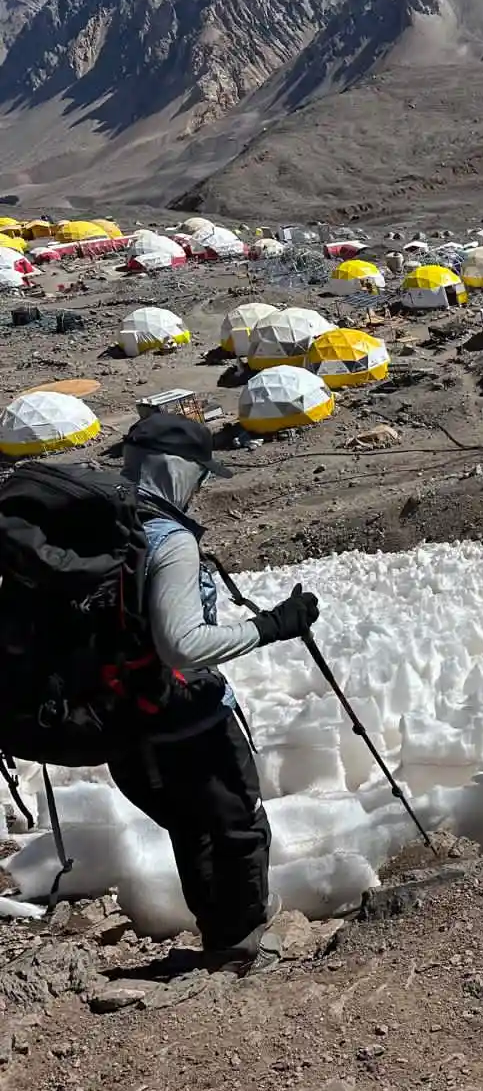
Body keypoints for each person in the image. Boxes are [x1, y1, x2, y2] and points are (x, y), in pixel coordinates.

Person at [116, 414, 320, 974]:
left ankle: (221, 938)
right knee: (237, 826)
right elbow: (182, 643)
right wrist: (272, 626)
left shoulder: (104, 522)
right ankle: (242, 946)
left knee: (192, 829)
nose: (200, 487)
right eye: (198, 475)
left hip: (122, 722)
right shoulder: (168, 538)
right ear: (176, 469)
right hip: (186, 719)